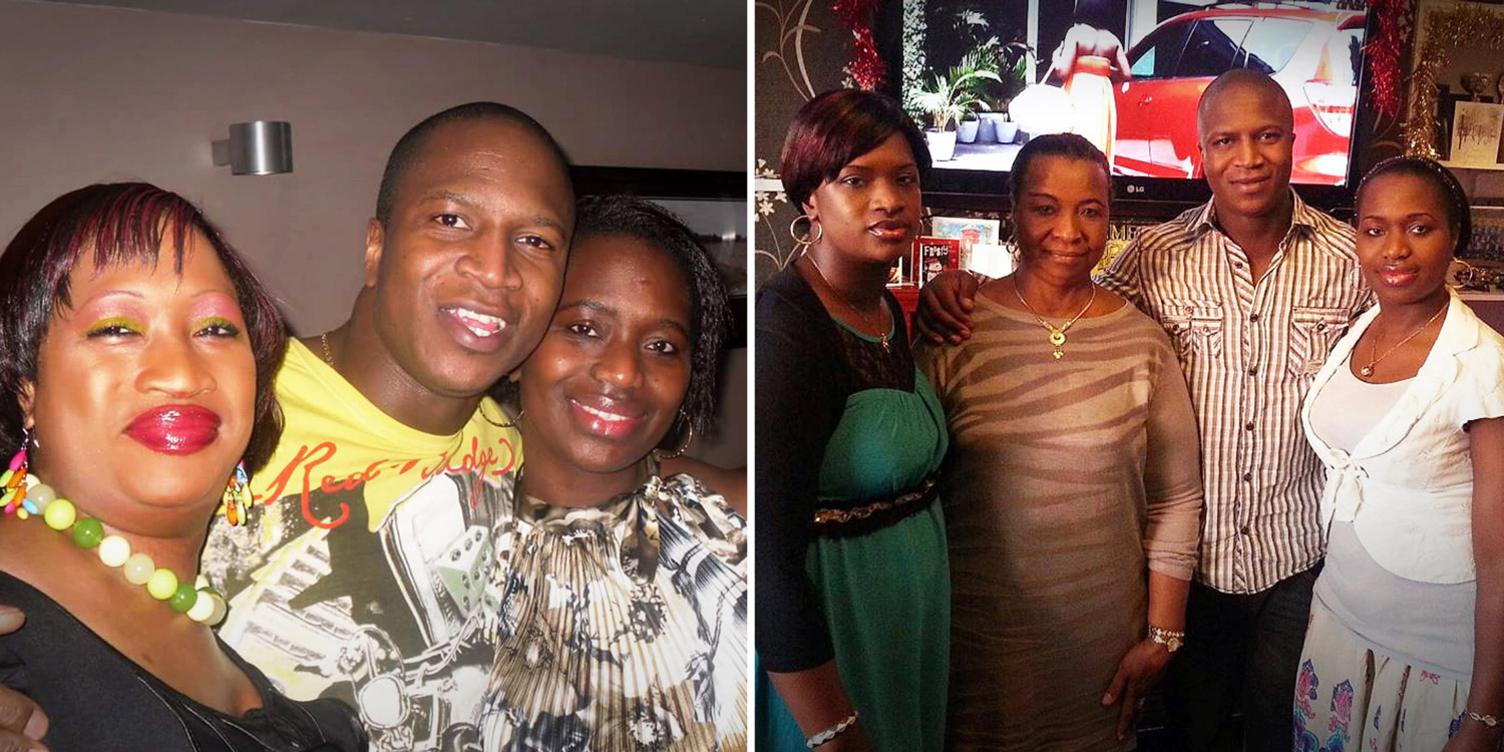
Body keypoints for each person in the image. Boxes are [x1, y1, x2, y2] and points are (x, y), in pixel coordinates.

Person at [916, 69, 1373, 751]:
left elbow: (1408, 359)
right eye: (1225, 140)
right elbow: (1062, 299)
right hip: (1190, 571)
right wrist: (954, 286)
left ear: (1294, 139)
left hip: (1296, 559)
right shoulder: (1157, 258)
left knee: (1286, 736)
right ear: (1200, 152)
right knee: (1188, 736)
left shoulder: (1352, 259)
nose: (1246, 157)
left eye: (1267, 136)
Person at [0, 182, 367, 750]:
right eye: (117, 328)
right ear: (26, 387)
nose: (180, 372)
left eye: (215, 329)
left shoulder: (198, 617)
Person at [915, 133, 1202, 750]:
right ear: (1012, 212)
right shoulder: (954, 330)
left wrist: (1163, 636)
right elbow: (915, 488)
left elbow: (1175, 499)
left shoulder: (1144, 343)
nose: (1069, 231)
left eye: (1090, 210)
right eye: (1045, 207)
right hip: (975, 643)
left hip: (1101, 650)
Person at [477, 195, 746, 749]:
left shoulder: (732, 528)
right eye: (584, 328)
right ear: (521, 342)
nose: (624, 372)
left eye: (661, 345)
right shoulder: (439, 526)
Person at [756, 88, 949, 752]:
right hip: (836, 644)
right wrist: (832, 728)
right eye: (856, 180)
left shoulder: (887, 308)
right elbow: (770, 560)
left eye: (905, 179)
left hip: (904, 631)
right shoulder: (787, 329)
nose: (889, 199)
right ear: (810, 197)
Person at [1293, 157, 1504, 752]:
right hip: (1337, 628)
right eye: (1374, 228)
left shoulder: (1484, 365)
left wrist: (1486, 716)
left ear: (1454, 236)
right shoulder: (1357, 330)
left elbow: (1500, 554)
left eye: (1419, 228)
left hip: (1432, 659)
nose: (1395, 250)